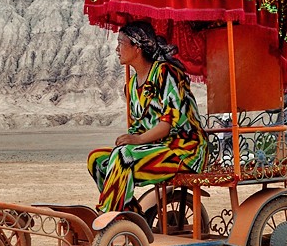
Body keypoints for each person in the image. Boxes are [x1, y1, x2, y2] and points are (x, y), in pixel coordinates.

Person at [87, 21, 208, 213]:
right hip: (155, 148)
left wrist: (137, 140)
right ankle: (130, 213)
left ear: (137, 47)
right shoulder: (132, 86)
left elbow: (168, 124)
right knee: (97, 159)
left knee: (123, 155)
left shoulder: (166, 73)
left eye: (121, 43)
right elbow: (140, 125)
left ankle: (109, 214)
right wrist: (131, 139)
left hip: (182, 150)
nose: (117, 49)